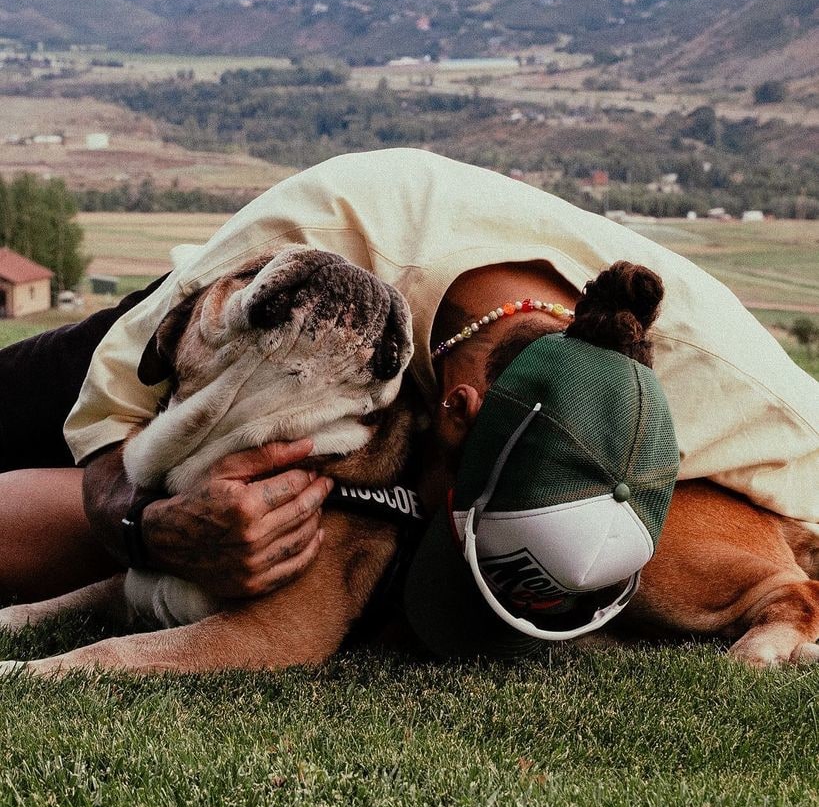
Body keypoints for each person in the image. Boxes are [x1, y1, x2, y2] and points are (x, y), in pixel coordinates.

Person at [1, 148, 817, 618]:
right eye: (451, 502)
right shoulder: (327, 226)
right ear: (451, 413)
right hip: (212, 337)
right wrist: (148, 529)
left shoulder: (732, 392)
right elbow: (107, 411)